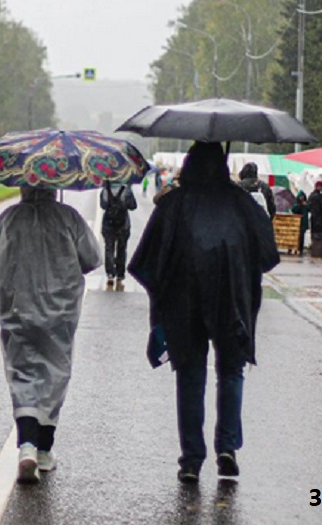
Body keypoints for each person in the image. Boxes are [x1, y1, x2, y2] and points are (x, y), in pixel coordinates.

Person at [128, 142, 279, 483]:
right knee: (230, 370)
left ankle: (191, 459)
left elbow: (147, 260)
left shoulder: (174, 203)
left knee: (190, 375)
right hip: (232, 300)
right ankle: (227, 447)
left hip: (185, 302)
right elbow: (268, 256)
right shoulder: (242, 203)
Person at [0, 187, 101, 483]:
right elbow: (92, 259)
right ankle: (44, 448)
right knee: (55, 375)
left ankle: (26, 444)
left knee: (22, 375)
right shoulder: (69, 217)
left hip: (17, 308)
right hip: (59, 312)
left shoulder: (8, 219)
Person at [100, 181, 137, 291]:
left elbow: (103, 205)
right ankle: (120, 275)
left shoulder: (105, 189)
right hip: (123, 225)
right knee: (122, 249)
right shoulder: (126, 190)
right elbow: (133, 206)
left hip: (108, 224)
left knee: (109, 248)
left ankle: (110, 274)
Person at [308, 181, 322, 256]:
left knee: (314, 234)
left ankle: (315, 250)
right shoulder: (318, 196)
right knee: (318, 235)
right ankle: (317, 251)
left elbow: (309, 206)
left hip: (314, 217)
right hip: (318, 218)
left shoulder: (312, 195)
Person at [291, 190, 310, 255]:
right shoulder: (297, 204)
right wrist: (300, 205)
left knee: (302, 236)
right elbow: (294, 210)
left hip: (303, 223)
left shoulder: (305, 204)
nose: (301, 198)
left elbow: (309, 209)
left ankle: (300, 248)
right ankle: (295, 248)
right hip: (297, 223)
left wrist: (306, 205)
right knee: (296, 236)